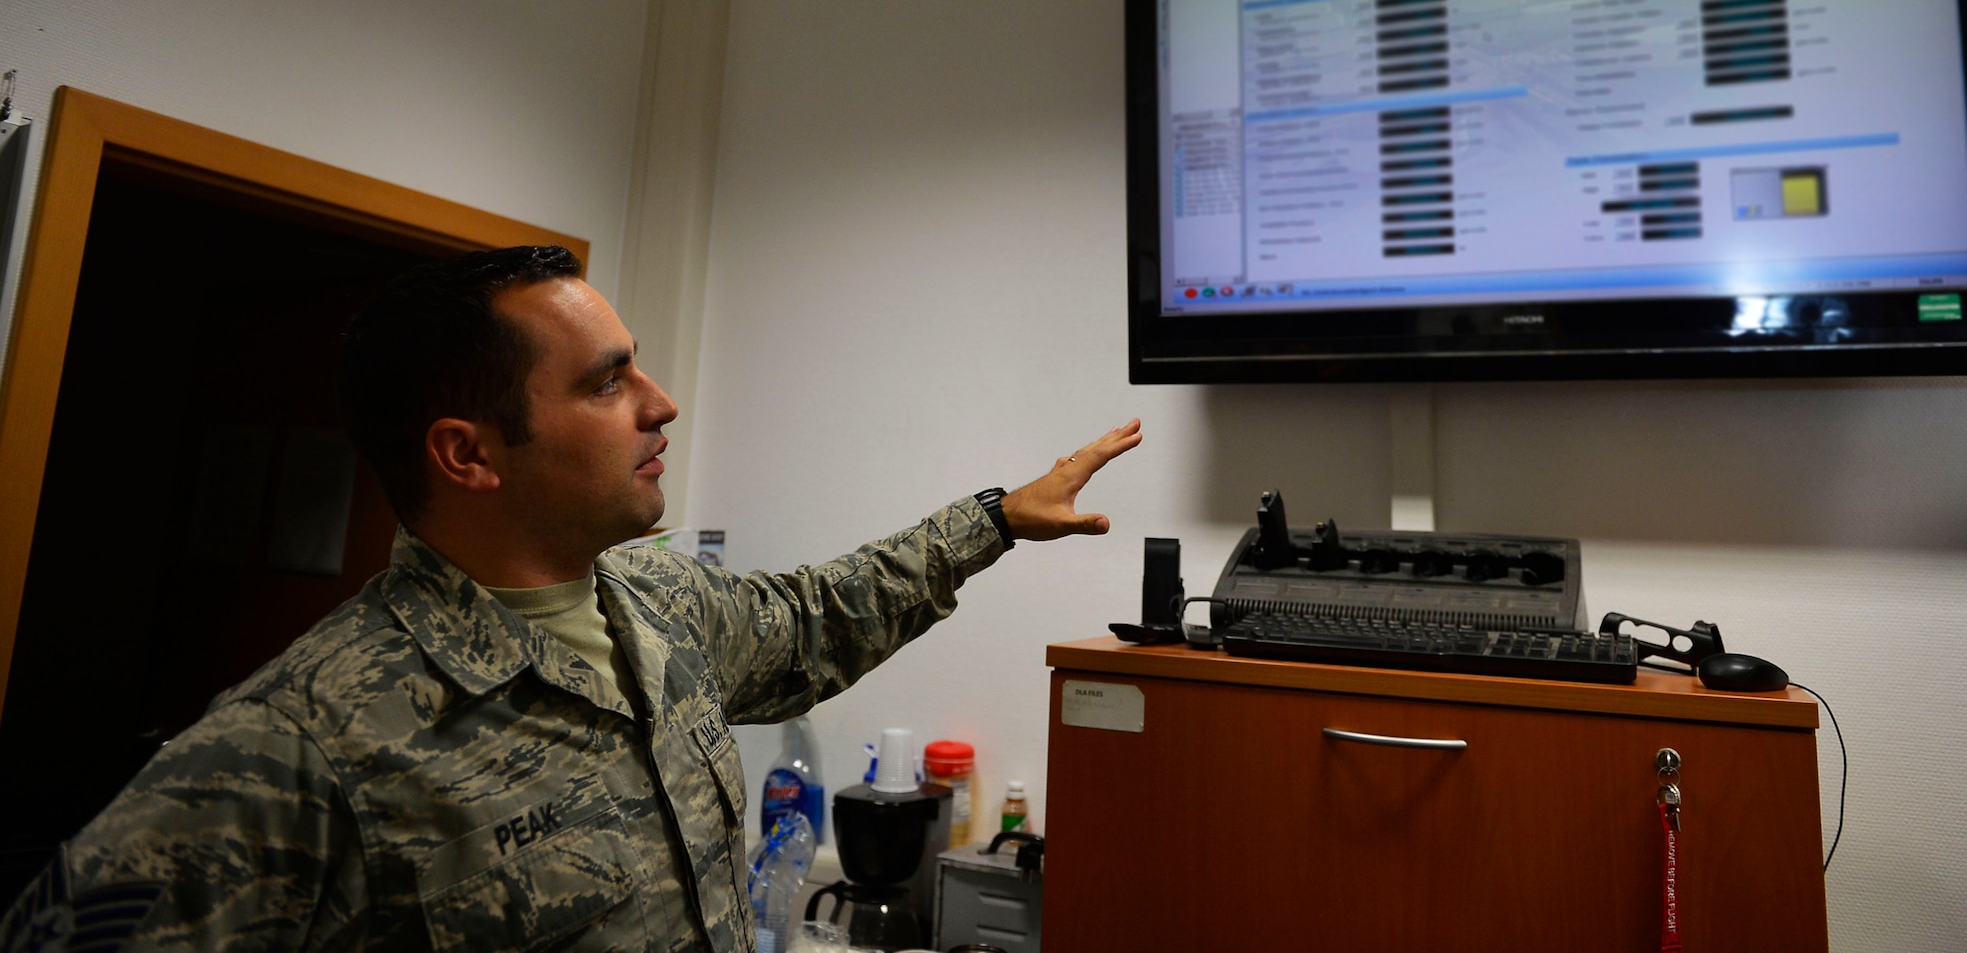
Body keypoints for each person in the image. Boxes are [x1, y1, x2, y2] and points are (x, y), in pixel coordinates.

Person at [0, 246, 1140, 951]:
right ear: (469, 454)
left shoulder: (657, 605)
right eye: (608, 381)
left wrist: (992, 518)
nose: (663, 401)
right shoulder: (300, 742)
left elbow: (818, 613)